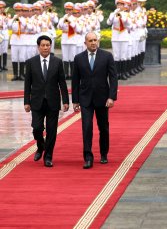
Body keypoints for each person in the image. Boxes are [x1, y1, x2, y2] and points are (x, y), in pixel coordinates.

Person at [72, 32, 118, 169]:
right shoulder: (78, 58)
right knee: (86, 127)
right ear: (85, 43)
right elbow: (75, 81)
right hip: (85, 99)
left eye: (95, 40)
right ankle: (88, 157)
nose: (93, 43)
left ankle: (104, 154)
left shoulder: (107, 56)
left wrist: (111, 97)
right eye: (90, 40)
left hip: (102, 99)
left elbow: (113, 78)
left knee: (103, 128)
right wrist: (75, 100)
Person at [24, 35, 69, 167]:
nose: (45, 47)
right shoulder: (31, 62)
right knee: (37, 128)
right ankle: (40, 145)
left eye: (47, 45)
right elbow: (28, 84)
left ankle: (48, 157)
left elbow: (62, 82)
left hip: (53, 102)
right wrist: (27, 101)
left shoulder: (57, 62)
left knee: (51, 130)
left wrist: (65, 101)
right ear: (38, 47)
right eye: (43, 45)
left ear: (50, 46)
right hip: (37, 102)